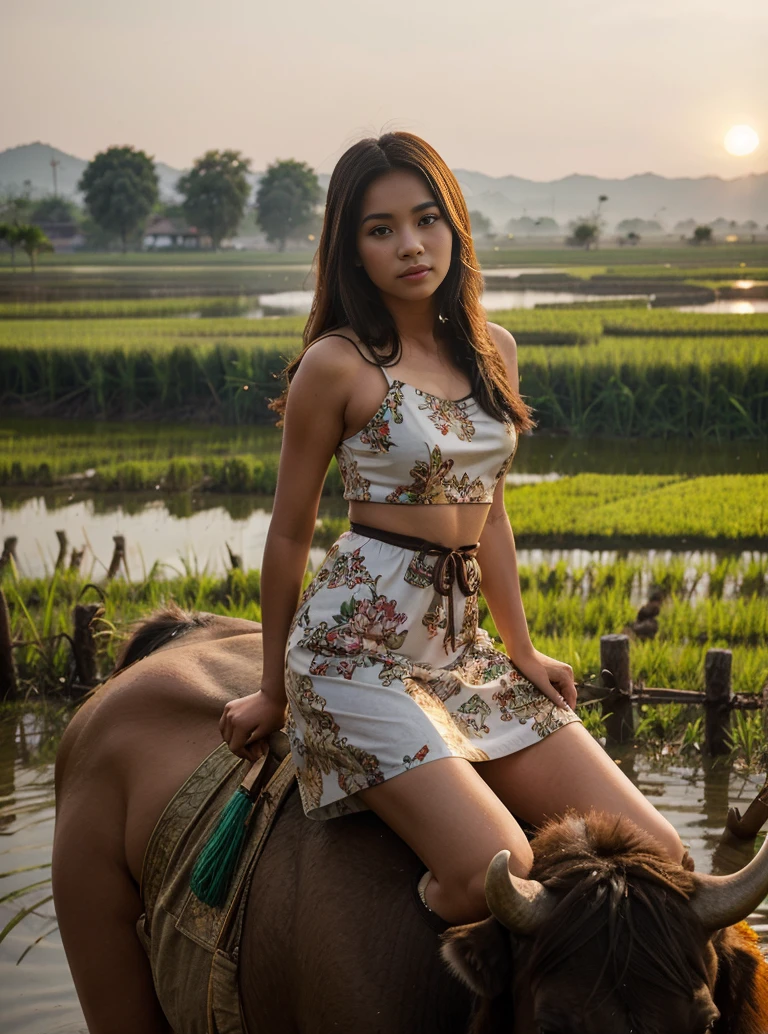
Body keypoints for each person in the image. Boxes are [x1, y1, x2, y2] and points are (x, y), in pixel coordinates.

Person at [219, 131, 683, 926]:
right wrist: (272, 690)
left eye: (427, 219)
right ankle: (388, 935)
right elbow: (290, 535)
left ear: (455, 227)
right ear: (349, 249)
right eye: (380, 228)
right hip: (353, 656)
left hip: (463, 657)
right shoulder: (337, 364)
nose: (410, 245)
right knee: (488, 874)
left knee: (659, 854)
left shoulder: (493, 350)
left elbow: (490, 516)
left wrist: (523, 649)